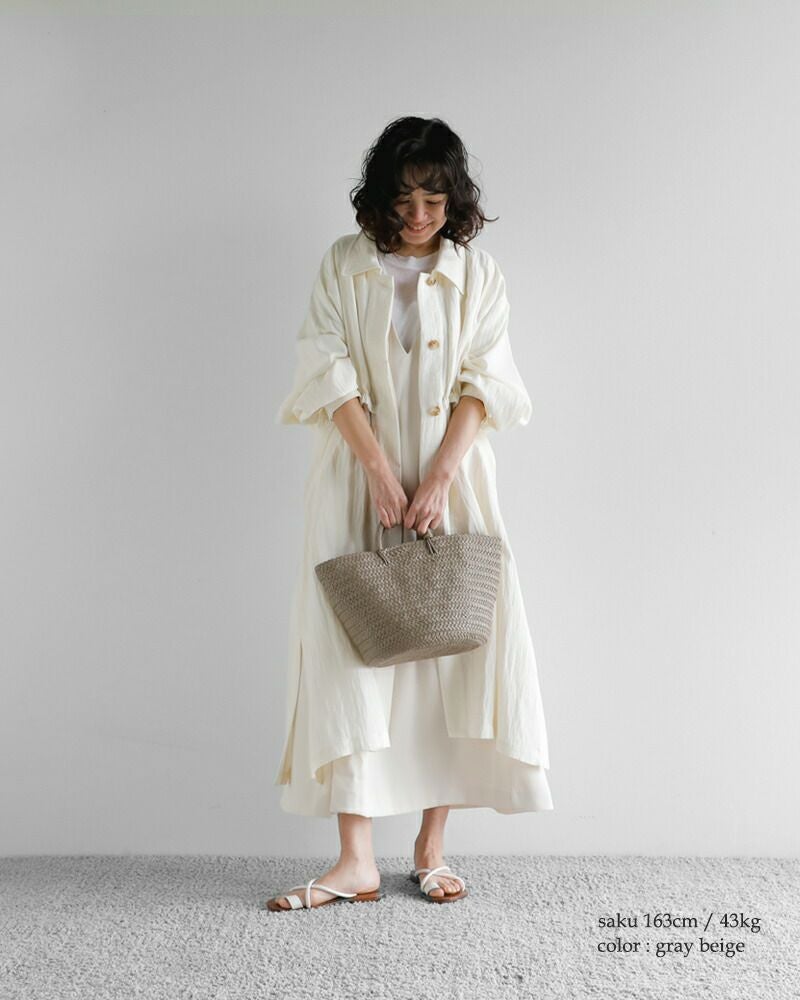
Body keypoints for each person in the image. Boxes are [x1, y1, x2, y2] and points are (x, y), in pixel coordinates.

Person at [266, 116, 553, 912]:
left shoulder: (478, 274)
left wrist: (437, 480)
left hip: (451, 481)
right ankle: (355, 859)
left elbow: (485, 381)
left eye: (434, 197)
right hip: (355, 479)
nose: (419, 213)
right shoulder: (344, 263)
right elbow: (323, 366)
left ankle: (431, 847)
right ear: (381, 196)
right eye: (404, 196)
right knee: (347, 651)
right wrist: (379, 473)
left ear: (454, 199)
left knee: (451, 648)